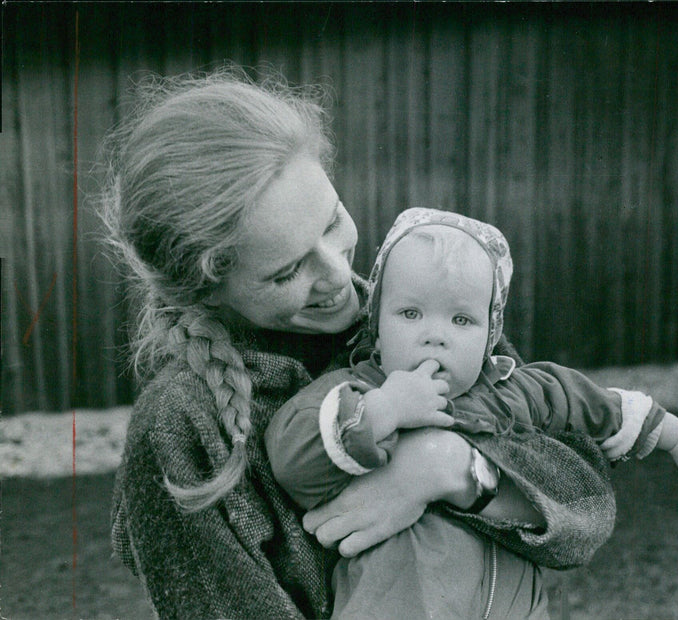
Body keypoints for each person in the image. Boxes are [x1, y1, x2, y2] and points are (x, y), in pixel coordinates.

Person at [104, 69, 621, 620]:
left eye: (332, 223)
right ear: (204, 289)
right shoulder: (181, 424)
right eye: (286, 273)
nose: (336, 277)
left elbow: (587, 508)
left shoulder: (414, 321)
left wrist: (451, 468)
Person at [266, 207, 678, 619]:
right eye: (409, 313)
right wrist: (383, 411)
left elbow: (597, 404)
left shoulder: (514, 389)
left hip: (513, 604)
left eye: (460, 320)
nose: (434, 336)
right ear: (377, 327)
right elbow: (293, 452)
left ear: (489, 336)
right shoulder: (358, 389)